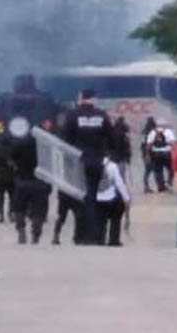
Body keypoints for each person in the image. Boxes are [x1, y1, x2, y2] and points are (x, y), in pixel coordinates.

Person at [62, 89, 113, 245]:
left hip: (78, 162)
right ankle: (95, 235)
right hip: (96, 162)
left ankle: (81, 236)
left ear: (81, 98)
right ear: (94, 99)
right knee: (93, 197)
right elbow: (110, 137)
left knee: (80, 199)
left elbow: (66, 138)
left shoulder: (72, 115)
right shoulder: (102, 115)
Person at [92, 152, 131, 246]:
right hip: (110, 197)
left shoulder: (93, 164)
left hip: (97, 198)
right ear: (109, 156)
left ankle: (99, 239)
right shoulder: (112, 166)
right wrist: (126, 198)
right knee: (116, 219)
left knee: (100, 220)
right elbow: (119, 183)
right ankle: (113, 240)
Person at [147, 120, 176, 193]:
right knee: (171, 169)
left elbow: (149, 144)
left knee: (158, 171)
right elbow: (173, 143)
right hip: (166, 153)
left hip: (156, 154)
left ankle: (161, 187)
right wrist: (174, 152)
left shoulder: (152, 132)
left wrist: (147, 154)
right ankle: (169, 183)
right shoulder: (169, 131)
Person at [140, 116, 157, 193]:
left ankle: (146, 186)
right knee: (152, 170)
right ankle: (158, 185)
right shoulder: (153, 131)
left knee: (147, 170)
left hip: (145, 153)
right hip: (151, 153)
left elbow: (142, 144)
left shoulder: (144, 131)